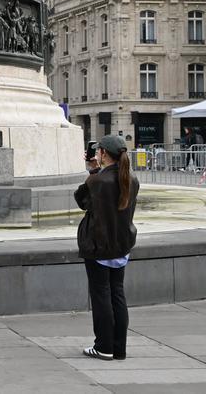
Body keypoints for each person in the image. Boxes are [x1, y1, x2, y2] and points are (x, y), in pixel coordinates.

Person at [74, 134, 140, 361]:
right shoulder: (131, 179)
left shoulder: (99, 181)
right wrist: (97, 171)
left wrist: (93, 171)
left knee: (101, 295)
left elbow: (81, 200)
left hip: (99, 245)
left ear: (102, 154)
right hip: (121, 245)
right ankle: (118, 348)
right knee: (117, 293)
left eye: (99, 151)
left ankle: (103, 346)